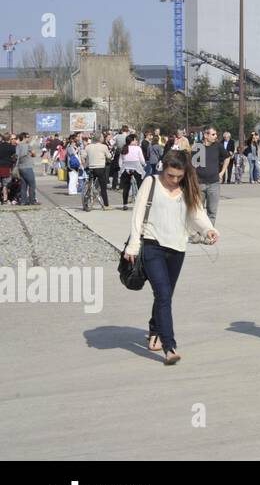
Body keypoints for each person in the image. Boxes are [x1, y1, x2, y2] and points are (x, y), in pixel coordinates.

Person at [122, 149, 218, 365]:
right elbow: (137, 215)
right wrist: (133, 246)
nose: (174, 180)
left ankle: (154, 329)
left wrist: (208, 230)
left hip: (177, 248)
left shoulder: (187, 188)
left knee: (165, 295)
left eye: (179, 176)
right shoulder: (151, 183)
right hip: (152, 245)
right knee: (163, 294)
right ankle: (169, 347)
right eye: (170, 175)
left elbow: (198, 214)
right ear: (163, 169)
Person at [84, 133, 112, 208]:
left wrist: (84, 164)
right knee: (103, 187)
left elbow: (83, 156)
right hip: (100, 168)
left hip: (91, 168)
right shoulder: (104, 146)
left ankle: (87, 198)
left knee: (90, 183)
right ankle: (106, 205)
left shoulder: (88, 147)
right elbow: (109, 156)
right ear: (100, 138)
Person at [118, 134, 146, 208]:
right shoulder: (138, 148)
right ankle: (141, 202)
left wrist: (121, 167)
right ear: (132, 141)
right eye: (135, 140)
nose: (136, 141)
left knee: (126, 187)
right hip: (136, 168)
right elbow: (142, 160)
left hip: (126, 168)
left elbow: (120, 161)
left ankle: (125, 204)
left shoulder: (124, 148)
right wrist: (144, 164)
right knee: (140, 185)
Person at [15, 133, 39, 206]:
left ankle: (23, 201)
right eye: (28, 137)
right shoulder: (27, 145)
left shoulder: (18, 146)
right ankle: (32, 201)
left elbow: (17, 156)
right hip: (27, 167)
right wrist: (32, 154)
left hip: (20, 167)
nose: (28, 138)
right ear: (24, 138)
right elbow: (34, 154)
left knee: (23, 185)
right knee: (32, 185)